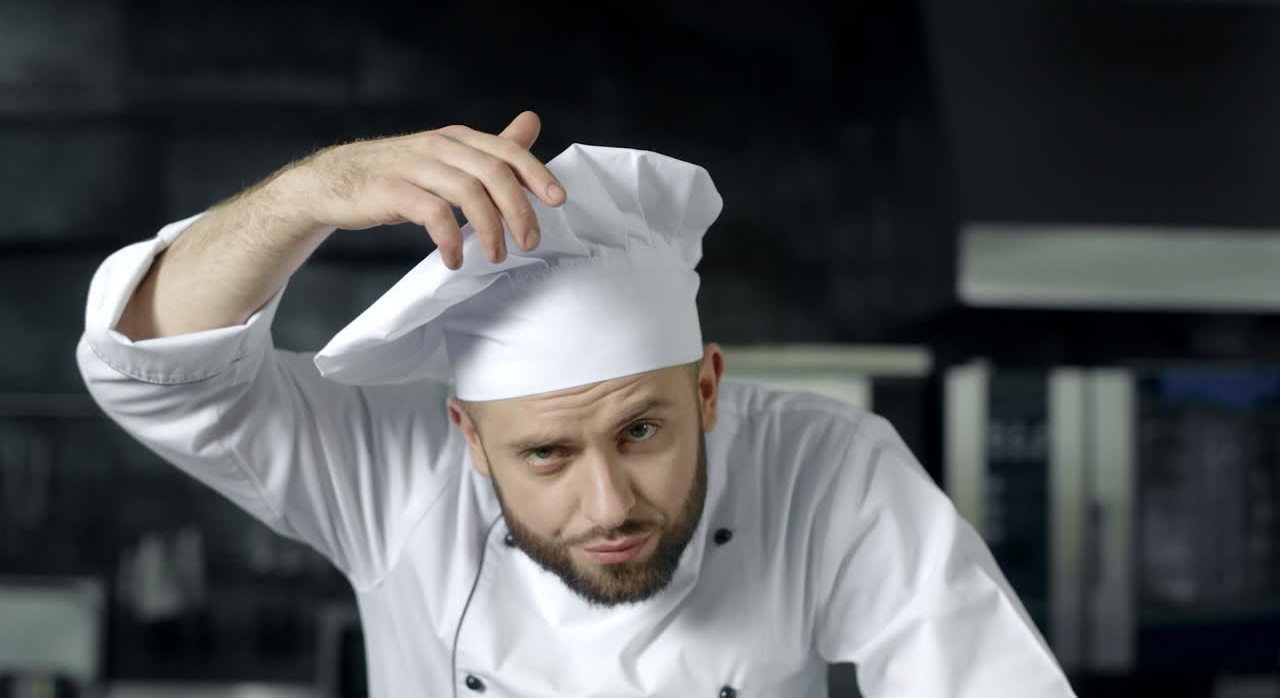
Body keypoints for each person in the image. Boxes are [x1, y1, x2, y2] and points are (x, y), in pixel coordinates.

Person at [76, 110, 1076, 697]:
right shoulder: (388, 474)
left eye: (641, 430)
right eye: (545, 454)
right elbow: (159, 368)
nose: (606, 504)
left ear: (708, 387)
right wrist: (305, 195)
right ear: (466, 436)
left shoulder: (829, 471)